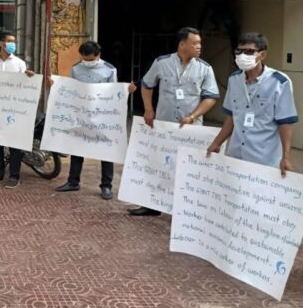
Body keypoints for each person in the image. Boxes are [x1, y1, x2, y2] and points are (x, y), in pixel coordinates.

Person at [132, 26, 220, 216]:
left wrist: (193, 116)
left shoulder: (205, 68)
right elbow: (147, 85)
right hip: (164, 125)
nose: (199, 47)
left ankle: (186, 210)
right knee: (160, 165)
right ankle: (153, 205)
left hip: (190, 128)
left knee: (189, 168)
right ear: (182, 45)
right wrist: (148, 109)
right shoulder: (162, 63)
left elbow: (211, 96)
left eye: (200, 43)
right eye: (195, 43)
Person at [52, 41, 136, 200]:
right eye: (85, 59)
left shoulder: (110, 70)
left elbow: (114, 93)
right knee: (77, 148)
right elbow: (71, 88)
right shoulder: (76, 68)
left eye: (90, 60)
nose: (87, 62)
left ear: (98, 55)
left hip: (103, 116)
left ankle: (106, 186)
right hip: (82, 115)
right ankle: (73, 182)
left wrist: (127, 91)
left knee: (105, 150)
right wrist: (56, 86)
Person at [207, 32, 297, 175]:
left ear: (262, 55)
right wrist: (217, 142)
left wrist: (286, 157)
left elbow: (285, 122)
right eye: (239, 51)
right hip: (235, 156)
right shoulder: (234, 79)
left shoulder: (279, 82)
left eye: (249, 51)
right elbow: (231, 118)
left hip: (263, 159)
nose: (243, 55)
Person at [0, 30, 37, 189]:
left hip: (14, 109)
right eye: (9, 41)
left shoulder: (19, 63)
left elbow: (24, 85)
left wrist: (30, 78)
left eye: (14, 42)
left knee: (14, 144)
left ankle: (14, 176)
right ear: (1, 44)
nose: (12, 44)